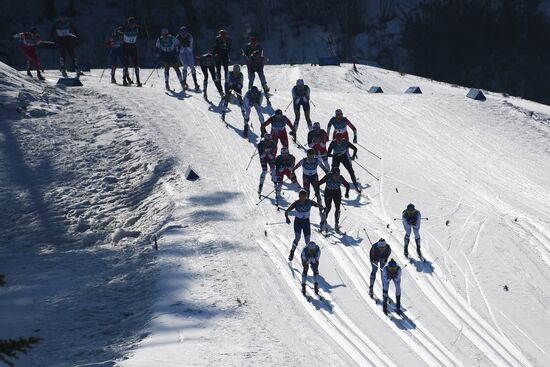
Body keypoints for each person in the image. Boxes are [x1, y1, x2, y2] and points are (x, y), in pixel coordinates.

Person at [285, 189, 324, 261]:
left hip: (306, 222)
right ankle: (292, 252)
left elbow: (317, 205)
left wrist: (323, 207)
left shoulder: (309, 202)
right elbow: (286, 211)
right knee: (297, 238)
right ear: (299, 196)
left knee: (307, 240)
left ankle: (309, 255)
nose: (302, 199)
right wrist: (287, 218)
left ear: (306, 196)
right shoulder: (296, 203)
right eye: (301, 197)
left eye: (304, 197)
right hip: (298, 222)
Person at [318, 167, 350, 232]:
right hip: (328, 192)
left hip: (337, 192)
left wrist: (347, 193)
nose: (336, 177)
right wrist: (317, 192)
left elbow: (347, 185)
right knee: (328, 208)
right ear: (332, 174)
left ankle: (336, 225)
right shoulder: (328, 176)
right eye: (335, 175)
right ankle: (322, 223)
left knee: (338, 209)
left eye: (337, 175)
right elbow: (319, 183)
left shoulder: (340, 178)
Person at [50, 12, 79, 77]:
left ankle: (77, 70)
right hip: (60, 41)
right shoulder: (57, 23)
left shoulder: (68, 22)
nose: (63, 19)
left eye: (64, 17)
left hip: (67, 40)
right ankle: (63, 70)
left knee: (72, 55)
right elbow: (51, 32)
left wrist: (77, 35)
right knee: (63, 56)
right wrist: (54, 40)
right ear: (60, 17)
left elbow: (75, 29)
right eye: (61, 17)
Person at [177, 26, 200, 90]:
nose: (184, 34)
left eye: (185, 32)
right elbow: (178, 48)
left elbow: (190, 48)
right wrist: (182, 47)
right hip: (182, 53)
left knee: (192, 67)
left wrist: (185, 46)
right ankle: (184, 82)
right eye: (182, 32)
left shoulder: (190, 36)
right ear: (180, 33)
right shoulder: (178, 38)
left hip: (189, 52)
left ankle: (195, 83)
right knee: (185, 66)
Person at [121, 17, 141, 86]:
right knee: (126, 64)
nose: (132, 26)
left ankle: (138, 80)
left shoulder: (137, 28)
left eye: (133, 24)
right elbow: (118, 30)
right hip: (126, 47)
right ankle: (124, 80)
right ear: (128, 24)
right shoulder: (125, 28)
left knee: (136, 64)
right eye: (130, 24)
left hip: (133, 47)